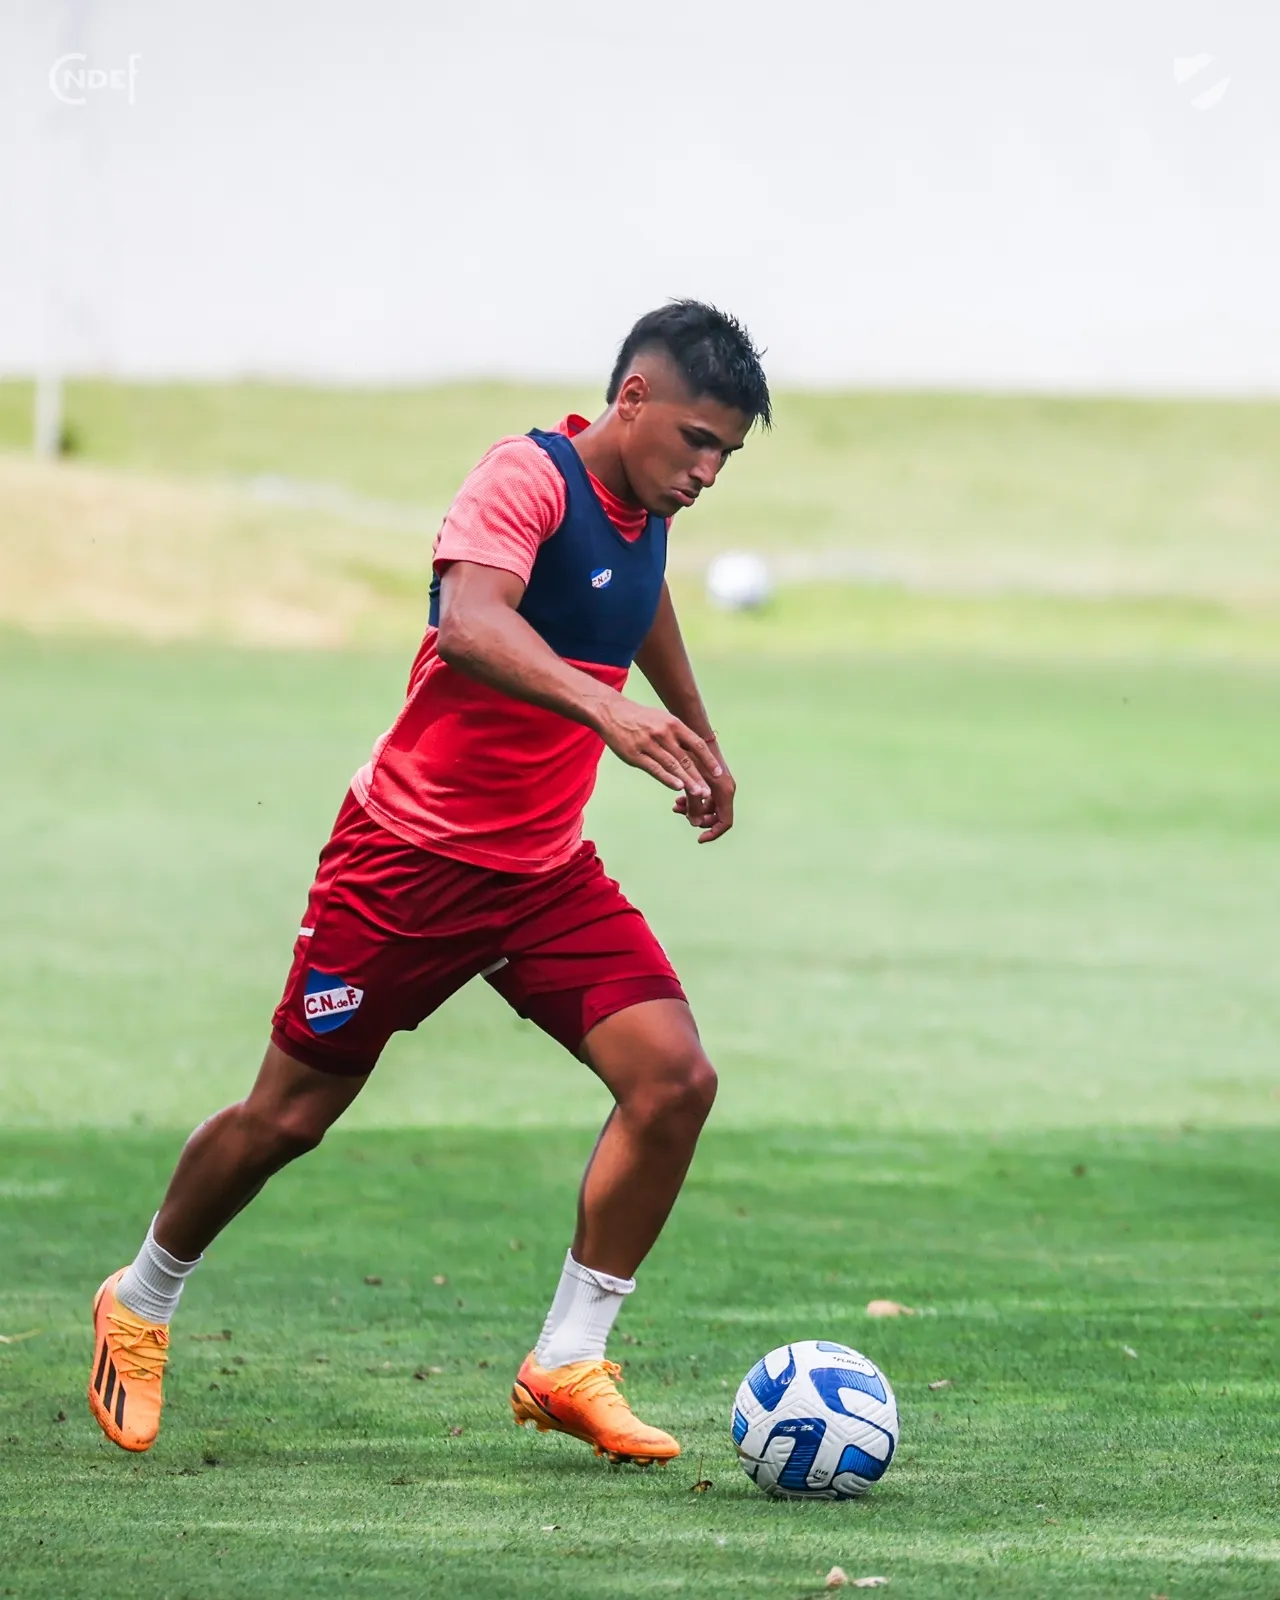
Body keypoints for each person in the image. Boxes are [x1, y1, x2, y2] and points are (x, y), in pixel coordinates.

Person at [88, 300, 771, 1466]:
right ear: (632, 399)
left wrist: (697, 736)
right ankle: (140, 1299)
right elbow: (468, 624)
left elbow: (634, 594)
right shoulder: (525, 478)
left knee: (674, 1081)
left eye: (727, 455)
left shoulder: (647, 509)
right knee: (285, 1119)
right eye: (696, 440)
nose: (706, 471)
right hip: (405, 861)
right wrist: (610, 713)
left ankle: (567, 1359)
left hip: (542, 874)